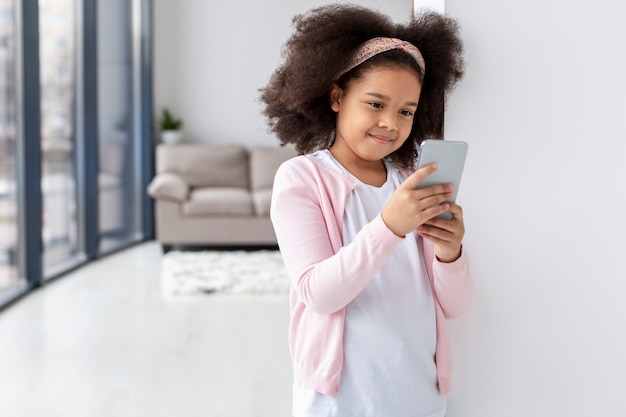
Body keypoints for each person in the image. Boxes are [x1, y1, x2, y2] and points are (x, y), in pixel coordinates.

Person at [260, 4, 473, 417]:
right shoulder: (302, 179)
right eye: (376, 104)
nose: (391, 123)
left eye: (406, 111)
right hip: (340, 400)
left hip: (419, 394)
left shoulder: (411, 181)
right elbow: (320, 294)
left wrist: (452, 252)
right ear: (338, 96)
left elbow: (456, 305)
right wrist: (390, 225)